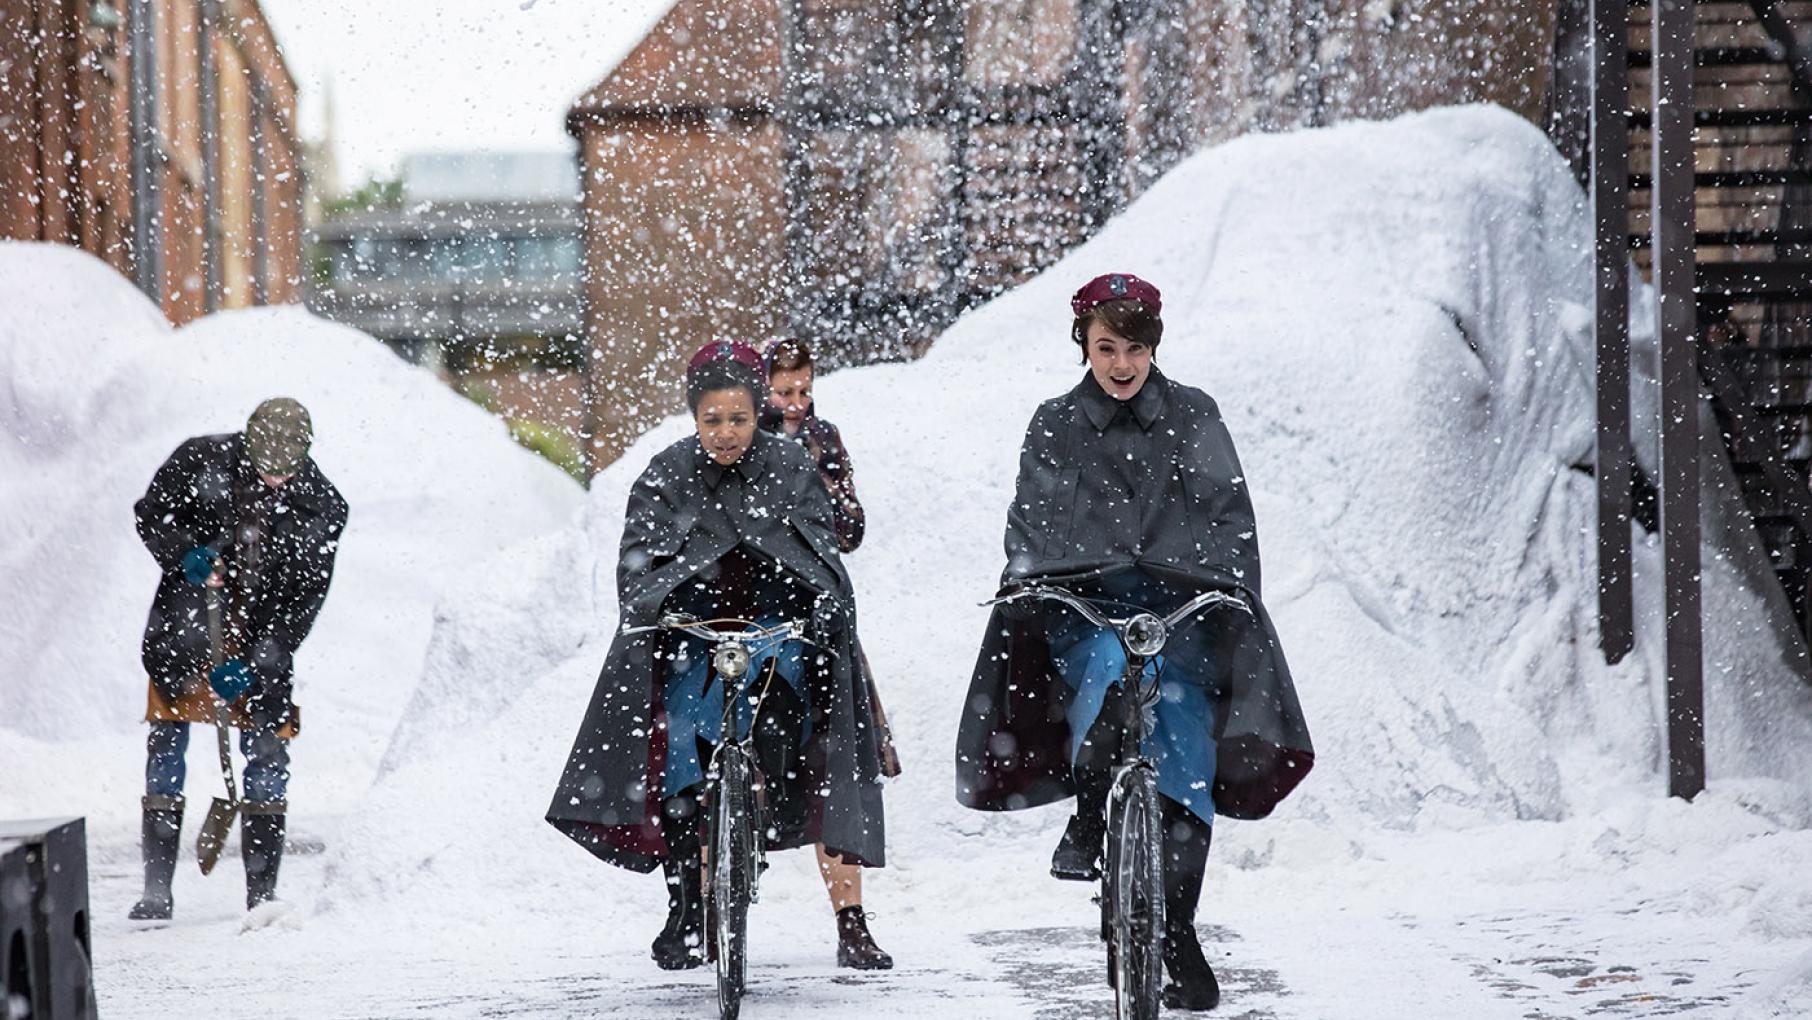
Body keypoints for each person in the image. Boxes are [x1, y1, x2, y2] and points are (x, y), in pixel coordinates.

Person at [953, 274, 1314, 1010]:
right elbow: (1030, 518)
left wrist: (1225, 589)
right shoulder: (1054, 422)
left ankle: (1176, 929)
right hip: (1086, 609)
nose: (1121, 364)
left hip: (1182, 615)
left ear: (1155, 346)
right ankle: (1092, 813)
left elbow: (1230, 517)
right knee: (1113, 671)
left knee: (1183, 740)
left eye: (1136, 348)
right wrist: (1036, 578)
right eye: (1107, 346)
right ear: (1082, 342)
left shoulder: (1196, 414)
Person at [547, 341, 890, 972]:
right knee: (680, 738)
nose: (726, 433)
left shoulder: (790, 467)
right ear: (693, 416)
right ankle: (684, 901)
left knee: (789, 715)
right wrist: (663, 603)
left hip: (776, 630)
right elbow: (638, 564)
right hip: (694, 634)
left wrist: (818, 603)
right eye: (713, 421)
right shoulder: (665, 472)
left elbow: (822, 554)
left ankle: (776, 813)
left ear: (758, 411)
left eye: (738, 419)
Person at [129, 397, 348, 919]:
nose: (275, 480)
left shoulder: (322, 508)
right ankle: (156, 891)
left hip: (259, 648)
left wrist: (255, 664)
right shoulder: (201, 460)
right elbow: (150, 512)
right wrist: (185, 552)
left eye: (285, 471)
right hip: (184, 635)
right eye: (265, 468)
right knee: (165, 749)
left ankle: (260, 895)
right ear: (248, 444)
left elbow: (302, 602)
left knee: (268, 757)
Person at [759, 337, 897, 968]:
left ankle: (852, 924)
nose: (796, 403)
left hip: (817, 611)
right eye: (784, 391)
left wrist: (830, 487)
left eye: (805, 389)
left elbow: (853, 530)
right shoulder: (738, 436)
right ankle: (708, 903)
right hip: (752, 612)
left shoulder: (823, 439)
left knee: (834, 766)